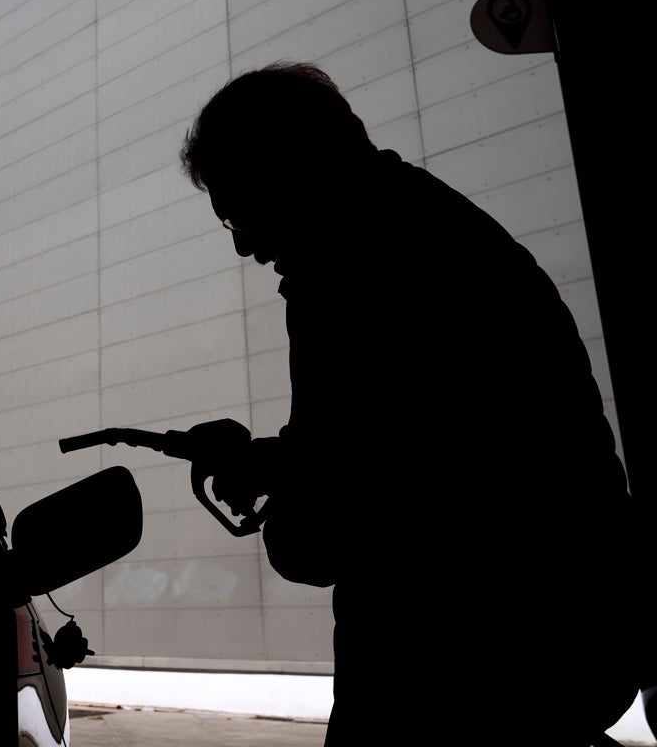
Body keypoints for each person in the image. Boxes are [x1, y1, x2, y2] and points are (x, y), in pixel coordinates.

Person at [178, 61, 646, 746]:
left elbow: (329, 527)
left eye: (236, 209)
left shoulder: (349, 273)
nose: (244, 243)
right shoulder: (434, 230)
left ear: (289, 161)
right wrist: (279, 462)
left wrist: (281, 483)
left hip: (453, 671)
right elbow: (424, 446)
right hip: (557, 645)